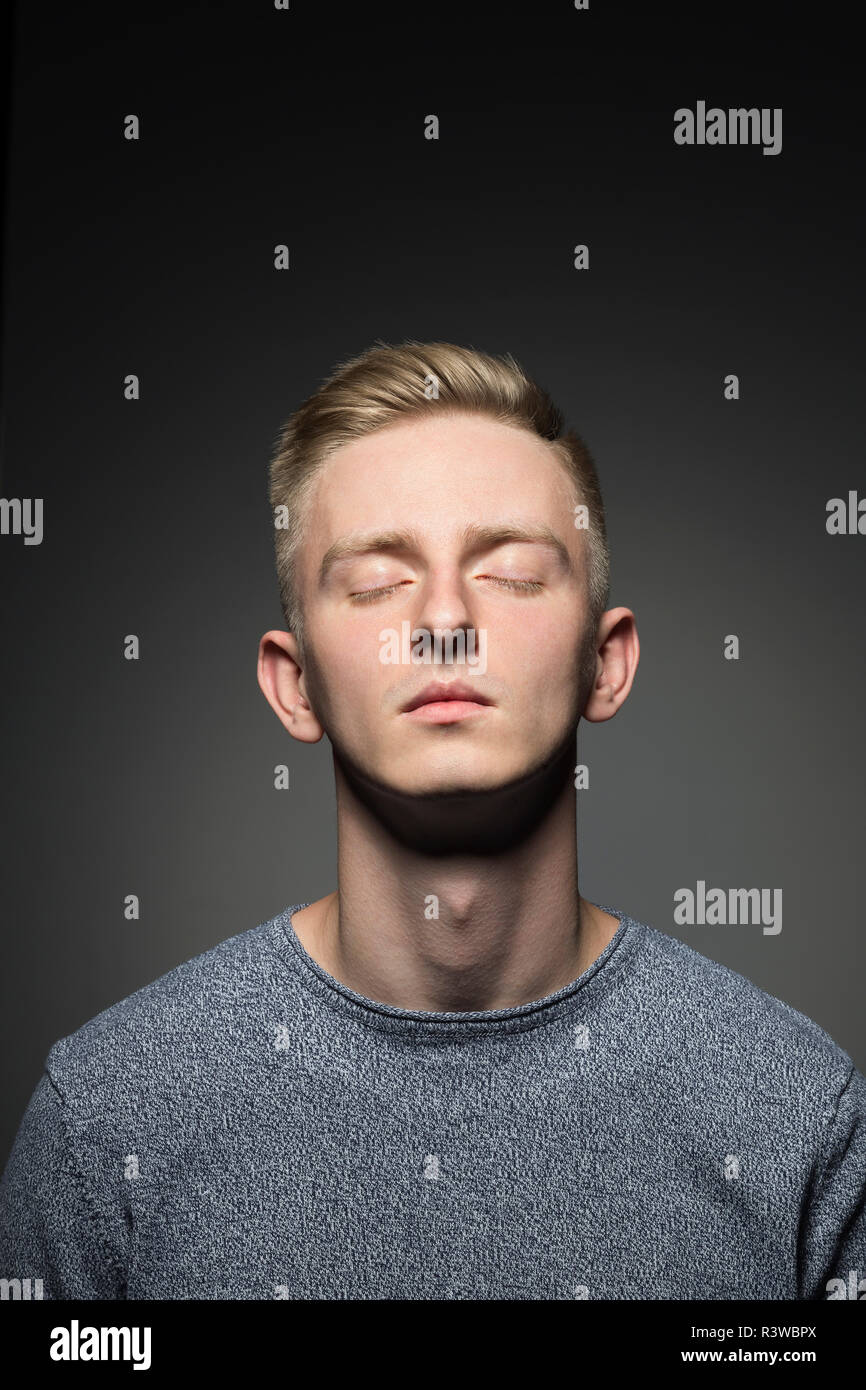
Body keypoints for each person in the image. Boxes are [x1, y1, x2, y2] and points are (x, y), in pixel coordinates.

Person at [1, 340, 863, 1300]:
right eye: (375, 583)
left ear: (605, 663)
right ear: (295, 687)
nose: (444, 618)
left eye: (513, 574)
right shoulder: (108, 1120)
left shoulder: (796, 1119)